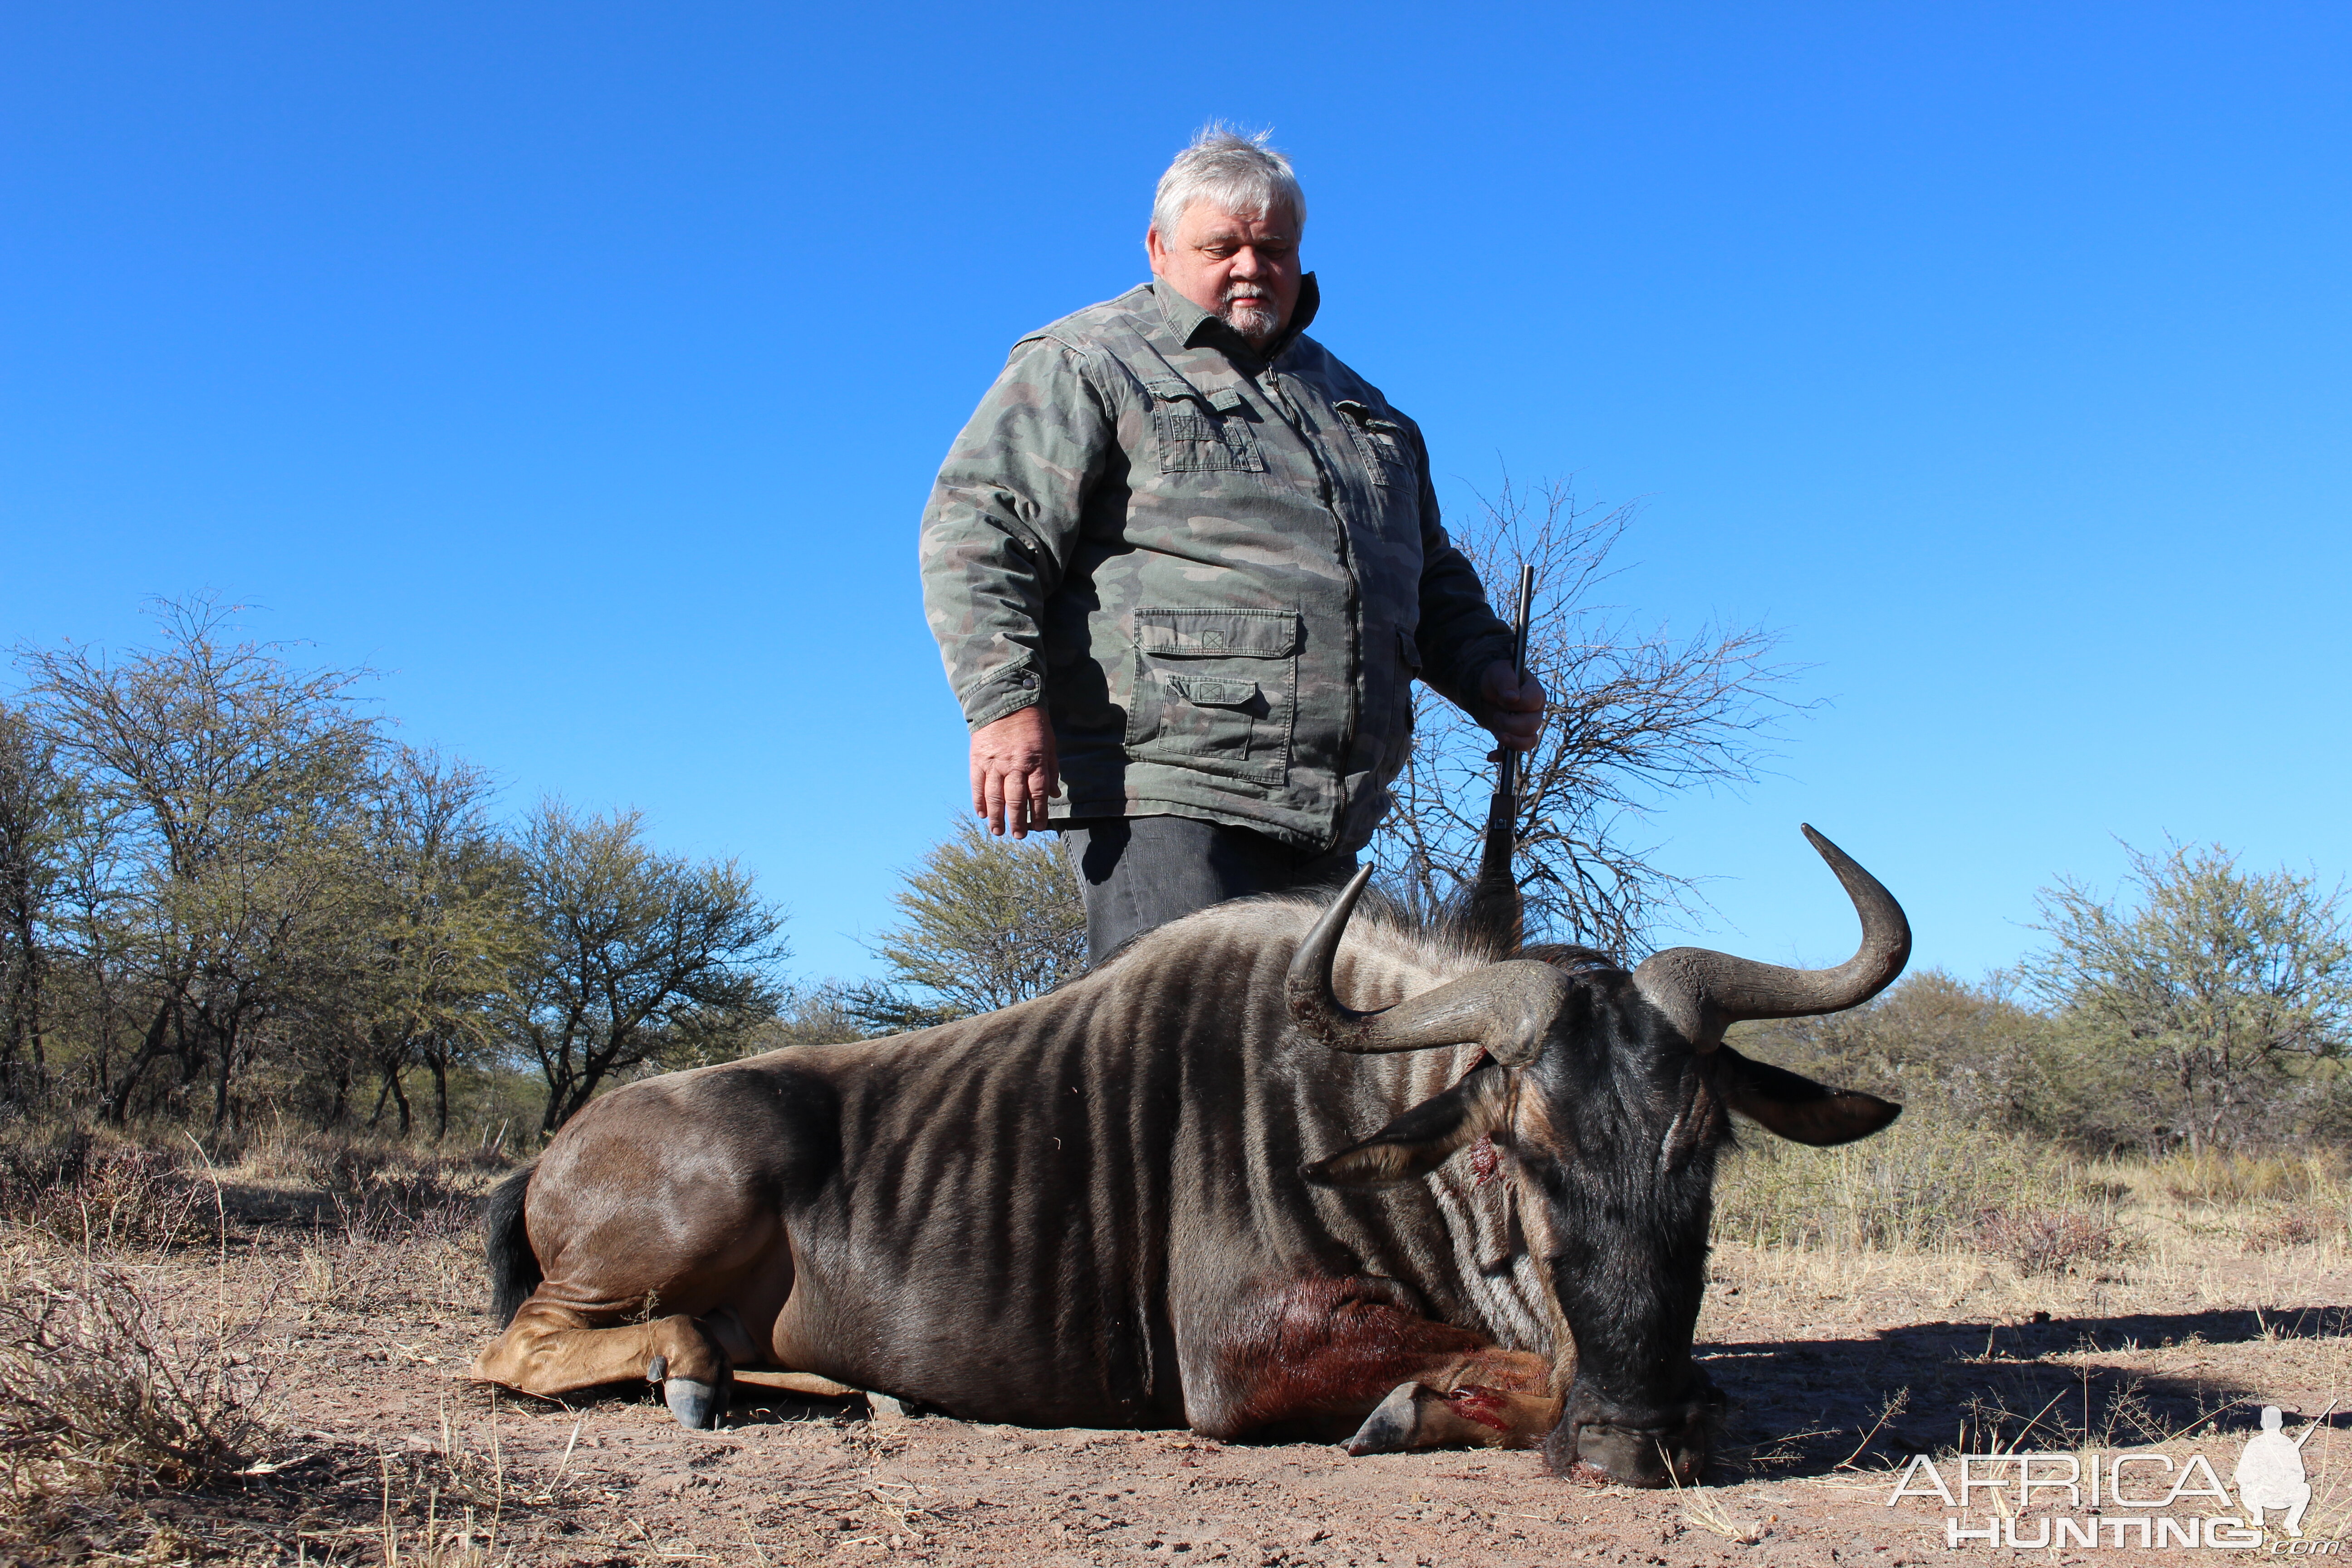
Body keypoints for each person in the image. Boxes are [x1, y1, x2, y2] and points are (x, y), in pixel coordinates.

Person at [921, 127, 1544, 965]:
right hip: (1168, 794)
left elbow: (1427, 575)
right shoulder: (1086, 360)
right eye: (1224, 246)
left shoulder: (1365, 408)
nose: (1252, 268)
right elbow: (980, 528)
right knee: (1185, 1071)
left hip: (1332, 817)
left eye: (1274, 248)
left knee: (1311, 1081)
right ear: (1159, 248)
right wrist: (1004, 705)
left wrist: (1485, 668)